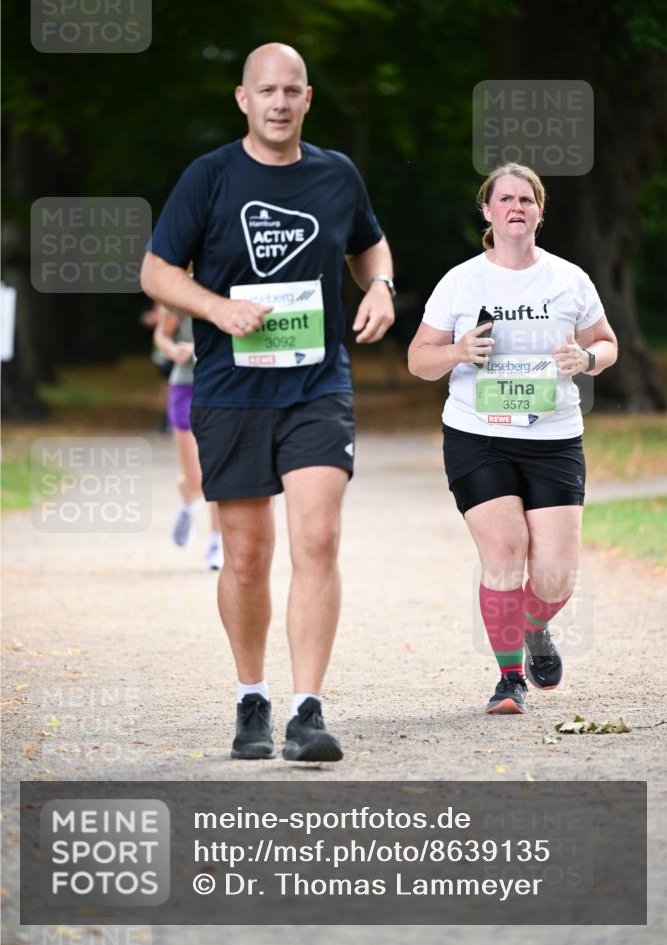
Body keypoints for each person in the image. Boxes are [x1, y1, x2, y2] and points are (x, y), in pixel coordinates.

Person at [141, 42, 395, 760]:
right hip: (230, 390)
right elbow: (157, 271)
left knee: (318, 539)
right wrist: (215, 310)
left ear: (307, 98)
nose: (279, 102)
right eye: (266, 91)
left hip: (317, 384)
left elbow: (370, 247)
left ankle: (306, 712)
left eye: (292, 90)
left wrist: (380, 287)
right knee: (248, 555)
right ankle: (250, 699)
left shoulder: (335, 174)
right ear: (243, 99)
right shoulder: (210, 176)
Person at [408, 163, 617, 714]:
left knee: (554, 577)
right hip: (479, 435)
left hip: (554, 436)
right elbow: (418, 360)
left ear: (540, 211)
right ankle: (509, 680)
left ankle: (533, 626)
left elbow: (607, 342)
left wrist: (588, 358)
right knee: (504, 553)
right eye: (505, 199)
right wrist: (456, 353)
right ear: (488, 210)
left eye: (527, 199)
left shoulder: (569, 279)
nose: (516, 207)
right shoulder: (460, 281)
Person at [153, 305, 223, 570]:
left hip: (222, 387)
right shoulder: (179, 292)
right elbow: (162, 334)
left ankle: (217, 543)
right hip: (185, 386)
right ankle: (187, 500)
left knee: (217, 472)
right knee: (196, 478)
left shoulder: (235, 283)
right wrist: (174, 351)